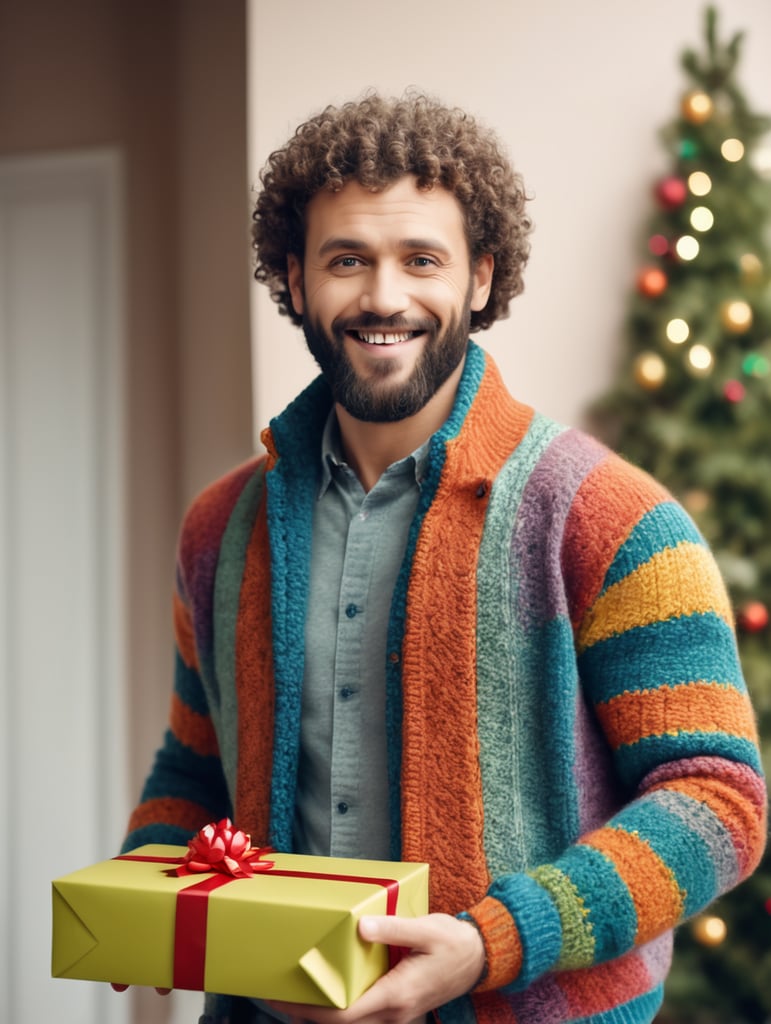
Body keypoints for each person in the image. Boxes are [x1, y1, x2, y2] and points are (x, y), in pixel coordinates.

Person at [120, 92, 767, 1024]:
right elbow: (193, 773)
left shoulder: (613, 518)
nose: (383, 297)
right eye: (347, 260)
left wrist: (490, 943)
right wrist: (151, 901)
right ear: (295, 280)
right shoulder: (217, 530)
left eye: (420, 259)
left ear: (478, 278)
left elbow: (717, 801)